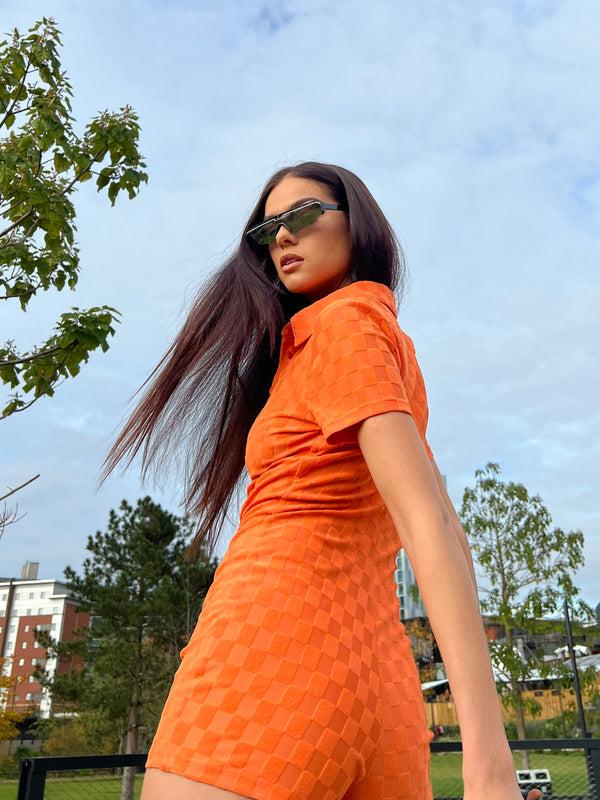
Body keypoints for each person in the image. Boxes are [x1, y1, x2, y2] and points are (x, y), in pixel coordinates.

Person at [99, 161, 531, 800]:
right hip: (377, 673)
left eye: (302, 215)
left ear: (358, 224)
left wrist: (489, 761)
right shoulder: (381, 342)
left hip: (272, 644)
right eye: (268, 228)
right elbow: (441, 525)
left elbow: (430, 524)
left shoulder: (344, 325)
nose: (281, 237)